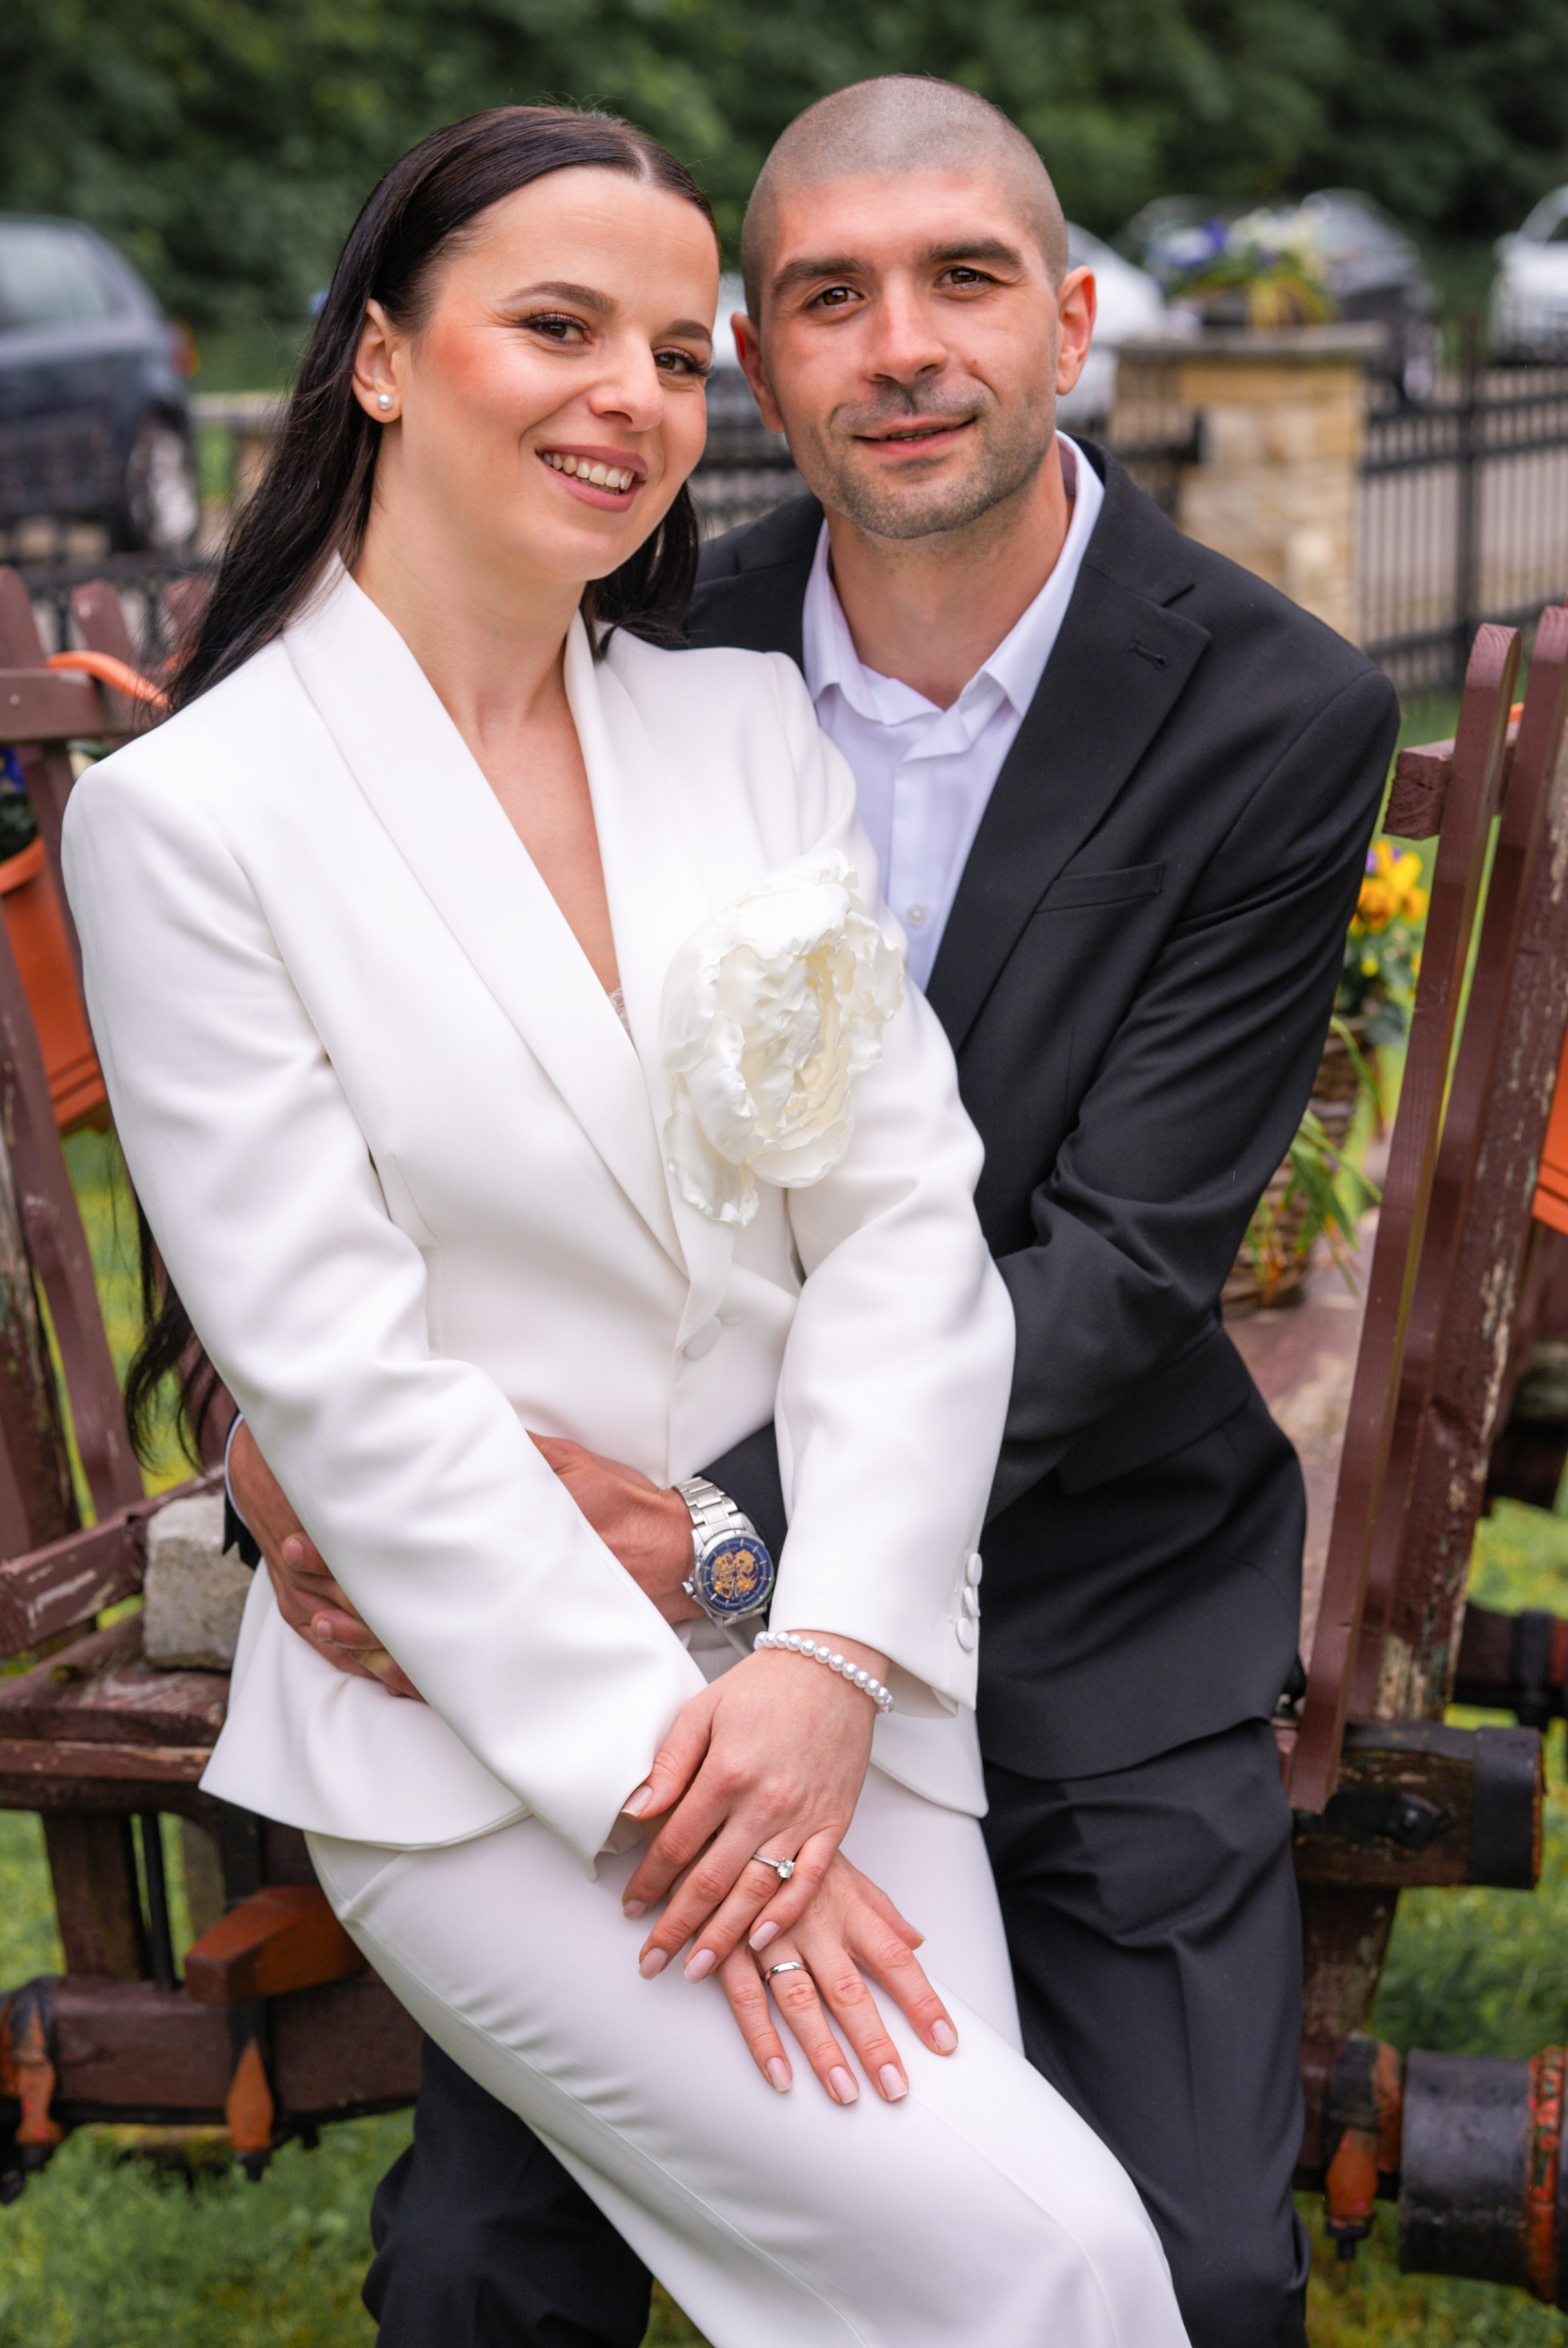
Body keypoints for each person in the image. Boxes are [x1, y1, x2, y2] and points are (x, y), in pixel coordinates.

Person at [230, 75, 1402, 2348]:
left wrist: (732, 1541)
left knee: (1202, 2276)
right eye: (826, 298)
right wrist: (290, 1445)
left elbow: (1122, 1265)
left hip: (1080, 1606)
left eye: (964, 279)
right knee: (477, 2275)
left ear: (1071, 321)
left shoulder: (1276, 711)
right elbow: (399, 1120)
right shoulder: (645, 654)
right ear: (757, 364)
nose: (903, 347)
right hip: (632, 1642)